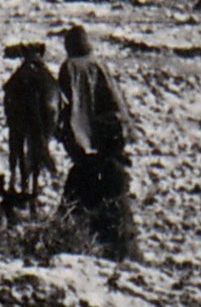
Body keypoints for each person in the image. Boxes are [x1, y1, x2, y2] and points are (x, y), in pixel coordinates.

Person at [54, 23, 138, 260]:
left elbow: (67, 109)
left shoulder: (69, 68)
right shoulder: (100, 65)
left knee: (77, 200)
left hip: (86, 147)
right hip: (109, 147)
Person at [2, 40, 58, 196]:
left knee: (16, 136)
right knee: (39, 142)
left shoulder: (18, 77)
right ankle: (34, 187)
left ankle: (15, 182)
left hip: (17, 115)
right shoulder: (47, 77)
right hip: (49, 110)